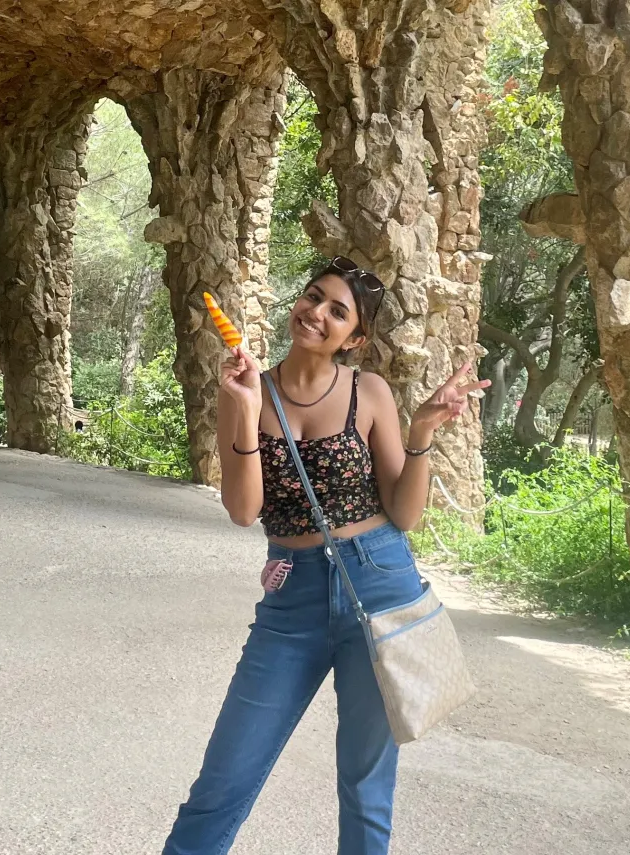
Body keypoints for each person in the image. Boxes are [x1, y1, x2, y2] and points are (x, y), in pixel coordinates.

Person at [162, 257, 489, 855]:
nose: (316, 313)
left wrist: (420, 433)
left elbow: (406, 514)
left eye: (337, 311)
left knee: (366, 788)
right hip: (292, 599)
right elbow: (243, 508)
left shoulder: (370, 393)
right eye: (313, 298)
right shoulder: (250, 387)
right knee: (224, 778)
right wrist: (238, 406)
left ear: (354, 338)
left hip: (380, 586)